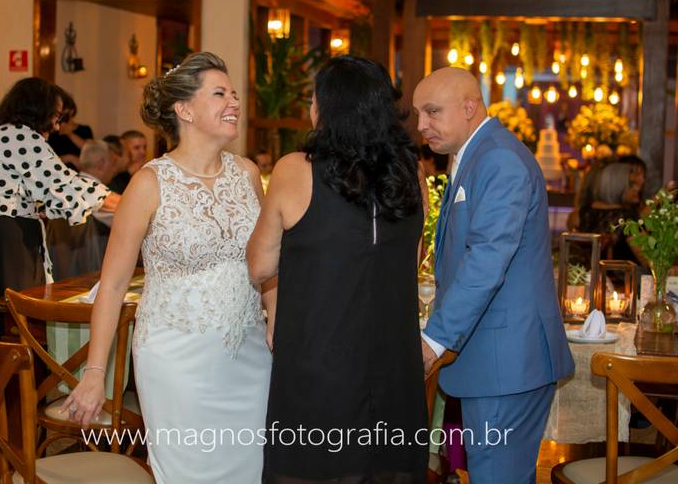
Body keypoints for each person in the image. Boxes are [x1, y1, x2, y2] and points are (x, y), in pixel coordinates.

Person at [64, 52, 272, 483]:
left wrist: (276, 322)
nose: (234, 102)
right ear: (185, 110)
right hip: (176, 360)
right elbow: (113, 284)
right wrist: (95, 373)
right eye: (220, 94)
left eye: (234, 94)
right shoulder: (149, 183)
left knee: (252, 469)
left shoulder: (248, 174)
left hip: (249, 355)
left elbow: (266, 264)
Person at [247, 55, 429, 482]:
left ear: (326, 107)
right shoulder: (412, 171)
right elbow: (415, 257)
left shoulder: (295, 170)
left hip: (321, 365)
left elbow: (259, 266)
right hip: (395, 366)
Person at [0, 78, 118, 484]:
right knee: (17, 347)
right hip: (3, 242)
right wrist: (126, 202)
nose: (56, 126)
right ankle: (13, 458)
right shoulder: (22, 136)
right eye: (55, 116)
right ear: (38, 109)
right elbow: (64, 186)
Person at [413, 67, 574, 483]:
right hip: (494, 359)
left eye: (432, 111)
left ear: (469, 107)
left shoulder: (499, 159)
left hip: (506, 360)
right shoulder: (475, 155)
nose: (421, 125)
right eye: (418, 114)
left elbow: (486, 259)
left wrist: (434, 340)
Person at [46, 140, 115, 280]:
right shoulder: (97, 195)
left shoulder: (63, 191)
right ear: (102, 164)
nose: (114, 169)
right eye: (112, 163)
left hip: (58, 272)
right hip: (88, 274)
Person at [578, 162, 645, 265]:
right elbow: (646, 258)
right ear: (617, 186)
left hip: (587, 273)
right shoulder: (627, 216)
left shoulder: (585, 211)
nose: (638, 188)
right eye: (631, 184)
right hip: (619, 274)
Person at [47, 92, 93, 169]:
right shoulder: (51, 131)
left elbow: (91, 151)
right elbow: (48, 158)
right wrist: (69, 158)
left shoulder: (84, 130)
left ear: (72, 110)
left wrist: (69, 133)